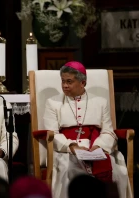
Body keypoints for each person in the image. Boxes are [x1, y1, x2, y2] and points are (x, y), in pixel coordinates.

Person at [43, 61, 132, 198]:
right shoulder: (53, 103)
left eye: (69, 81)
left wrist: (98, 146)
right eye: (63, 81)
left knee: (119, 171)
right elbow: (52, 133)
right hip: (67, 151)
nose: (65, 86)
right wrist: (71, 146)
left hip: (96, 148)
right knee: (68, 170)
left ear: (82, 83)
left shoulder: (100, 102)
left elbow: (108, 131)